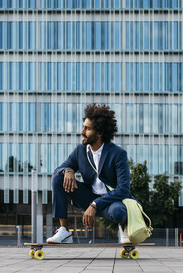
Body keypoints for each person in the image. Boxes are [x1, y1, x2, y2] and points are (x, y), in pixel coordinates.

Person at [47, 104, 133, 244]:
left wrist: (95, 204)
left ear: (99, 133)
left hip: (111, 202)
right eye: (83, 127)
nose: (82, 132)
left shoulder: (118, 154)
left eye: (87, 128)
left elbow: (124, 189)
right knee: (58, 178)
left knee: (119, 212)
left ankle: (124, 228)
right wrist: (67, 170)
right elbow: (59, 169)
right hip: (87, 197)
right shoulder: (80, 150)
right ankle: (64, 231)